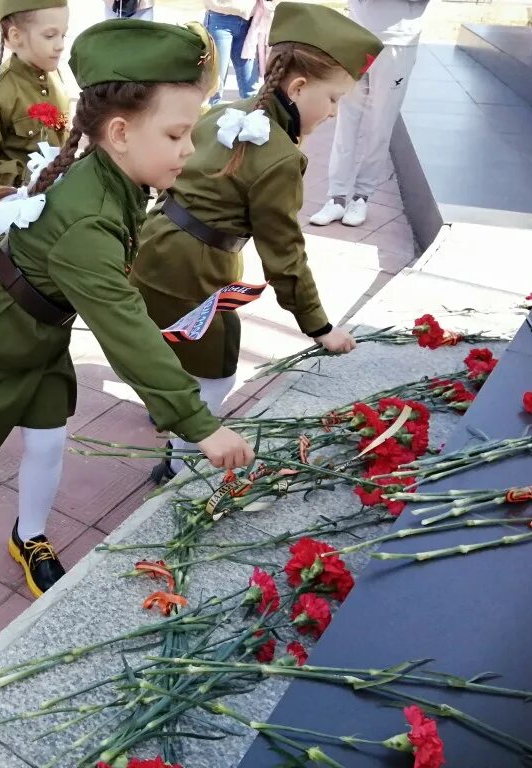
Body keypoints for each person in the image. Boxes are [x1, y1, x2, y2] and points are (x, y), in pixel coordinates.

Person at [0, 18, 253, 598]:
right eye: (178, 135)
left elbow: (120, 286)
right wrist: (198, 423)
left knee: (48, 439)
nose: (189, 151)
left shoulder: (119, 174)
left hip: (41, 327)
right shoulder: (89, 218)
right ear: (121, 132)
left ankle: (28, 534)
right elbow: (122, 326)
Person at [130, 2, 382, 482]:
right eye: (332, 99)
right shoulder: (281, 156)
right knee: (218, 369)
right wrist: (319, 326)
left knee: (166, 340)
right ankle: (180, 459)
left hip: (155, 243)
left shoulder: (228, 112)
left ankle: (166, 404)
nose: (332, 113)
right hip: (197, 269)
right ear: (299, 86)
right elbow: (283, 254)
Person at [309, 0, 431, 227]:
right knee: (345, 120)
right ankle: (336, 197)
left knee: (380, 125)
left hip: (398, 41)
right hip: (357, 36)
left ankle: (361, 197)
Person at [0, 0, 70, 243]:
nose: (61, 45)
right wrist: (26, 175)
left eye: (64, 34)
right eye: (50, 35)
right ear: (15, 35)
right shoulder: (0, 95)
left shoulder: (56, 79)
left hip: (53, 216)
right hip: (13, 226)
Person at [204, 1, 261, 105]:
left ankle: (253, 119)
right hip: (220, 19)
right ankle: (211, 119)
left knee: (251, 89)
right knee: (215, 87)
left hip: (249, 23)